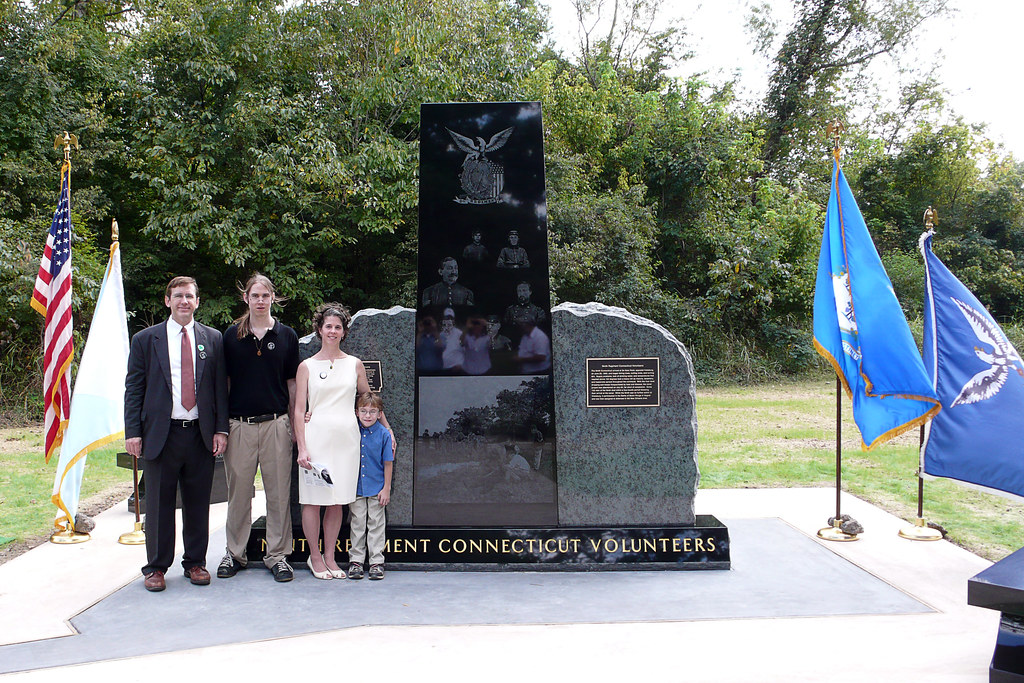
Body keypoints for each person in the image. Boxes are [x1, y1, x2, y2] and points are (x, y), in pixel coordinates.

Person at [124, 276, 229, 592]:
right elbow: (134, 388)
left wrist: (221, 429)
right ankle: (156, 567)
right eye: (178, 295)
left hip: (199, 434)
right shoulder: (146, 339)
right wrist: (133, 432)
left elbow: (219, 390)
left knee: (198, 503)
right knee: (158, 505)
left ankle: (195, 563)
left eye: (190, 296)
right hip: (161, 435)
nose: (185, 301)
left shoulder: (212, 339)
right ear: (167, 301)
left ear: (198, 301)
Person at [293, 303, 393, 580]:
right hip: (317, 441)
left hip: (347, 442)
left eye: (338, 327)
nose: (333, 331)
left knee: (337, 502)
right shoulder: (307, 367)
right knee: (313, 500)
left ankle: (330, 556)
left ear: (344, 331)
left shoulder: (354, 364)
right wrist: (302, 446)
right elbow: (299, 409)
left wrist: (388, 429)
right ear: (319, 329)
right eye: (328, 326)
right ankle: (315, 557)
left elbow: (368, 399)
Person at [219, 273, 299, 583]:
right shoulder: (231, 336)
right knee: (239, 493)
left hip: (276, 424)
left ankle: (277, 555)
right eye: (255, 295)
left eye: (266, 295)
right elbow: (223, 384)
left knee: (278, 493)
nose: (261, 300)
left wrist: (294, 426)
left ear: (273, 298)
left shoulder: (287, 336)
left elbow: (292, 385)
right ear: (246, 299)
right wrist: (222, 427)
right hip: (239, 425)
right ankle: (235, 553)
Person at [346, 392, 394, 581]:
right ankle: (356, 561)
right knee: (357, 523)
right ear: (356, 412)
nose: (368, 415)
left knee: (376, 524)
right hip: (356, 487)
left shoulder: (384, 435)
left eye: (372, 412)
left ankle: (376, 562)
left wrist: (387, 488)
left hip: (377, 488)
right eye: (364, 411)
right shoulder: (351, 430)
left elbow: (388, 463)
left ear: (379, 414)